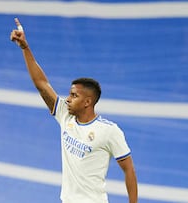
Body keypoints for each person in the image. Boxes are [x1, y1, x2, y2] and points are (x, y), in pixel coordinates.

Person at [10, 18, 138, 203]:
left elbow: (129, 170)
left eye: (73, 95)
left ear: (87, 102)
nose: (68, 99)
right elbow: (41, 84)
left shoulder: (109, 131)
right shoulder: (65, 115)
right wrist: (25, 48)